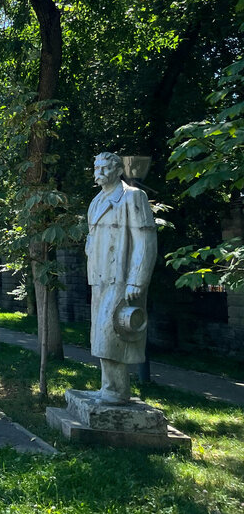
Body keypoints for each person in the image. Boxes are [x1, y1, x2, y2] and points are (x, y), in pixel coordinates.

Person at [85, 151, 157, 404]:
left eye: (105, 168)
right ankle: (109, 387)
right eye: (97, 168)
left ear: (118, 171)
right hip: (99, 276)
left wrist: (137, 279)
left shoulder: (132, 197)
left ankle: (116, 391)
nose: (99, 173)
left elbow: (145, 240)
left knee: (113, 333)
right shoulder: (96, 200)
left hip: (121, 277)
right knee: (101, 336)